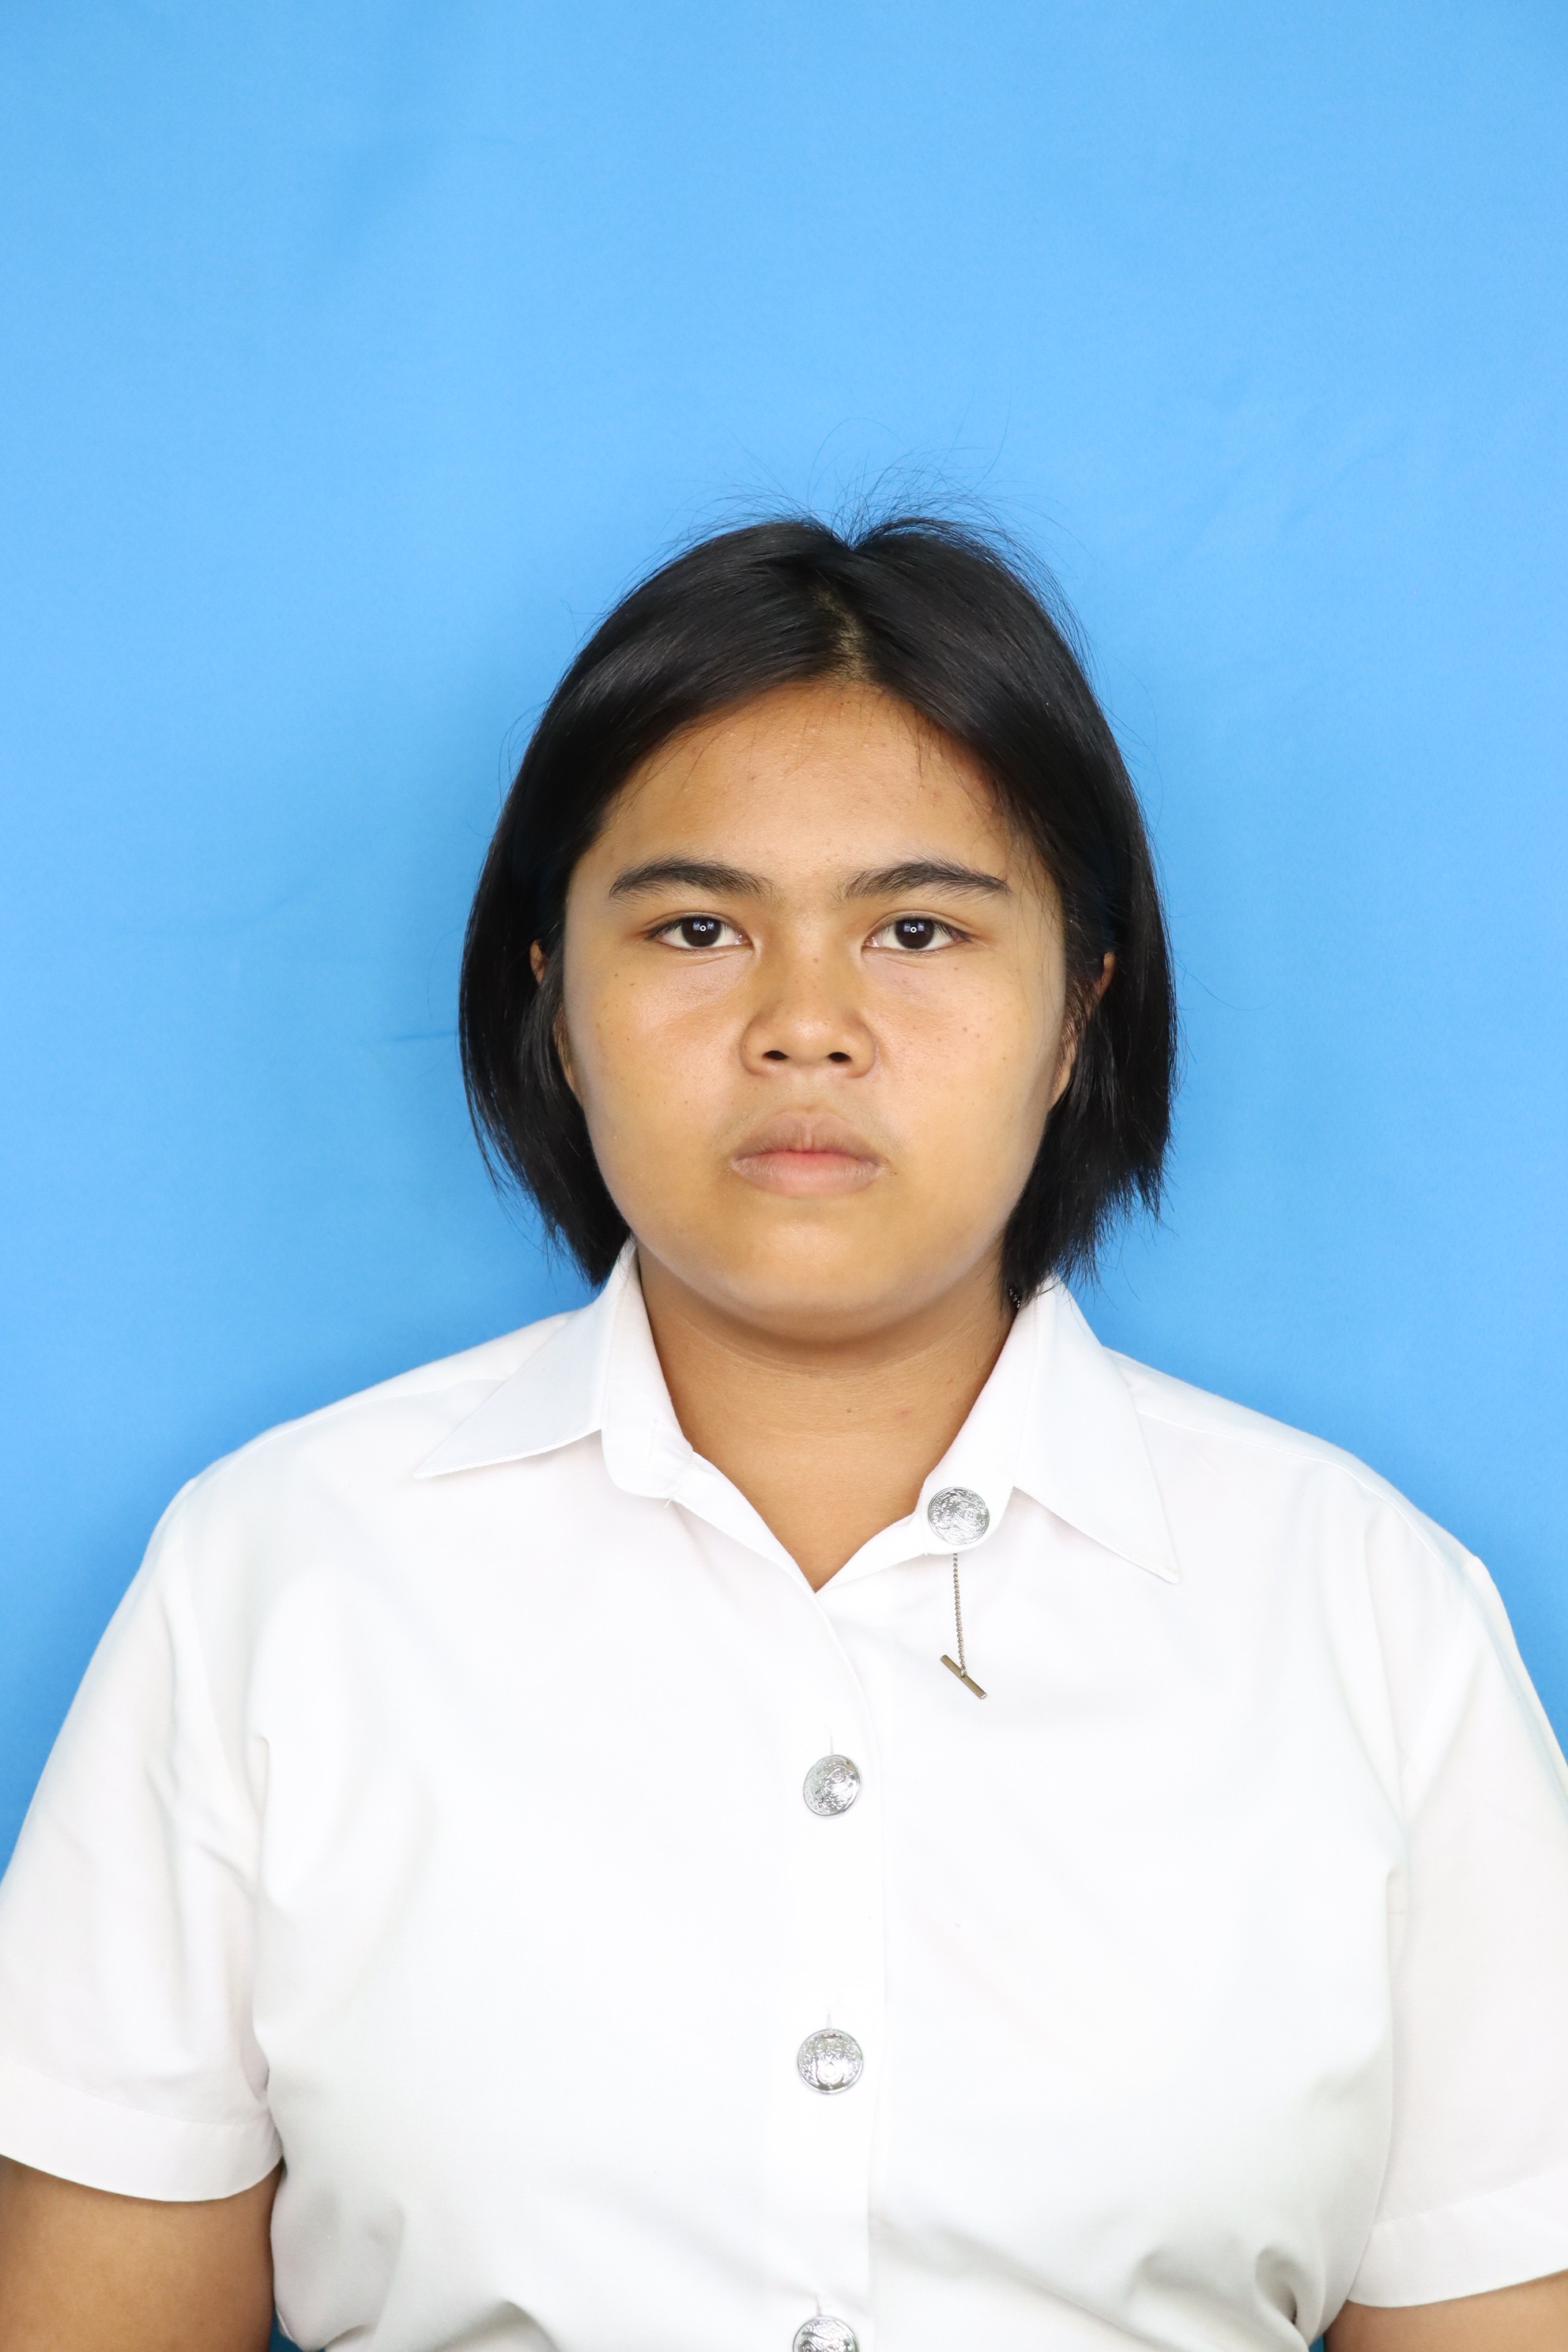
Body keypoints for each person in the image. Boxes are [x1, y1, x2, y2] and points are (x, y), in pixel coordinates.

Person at [0, 517, 1566, 2352]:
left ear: (1077, 1009)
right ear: (553, 1002)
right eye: (695, 928)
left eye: (916, 930)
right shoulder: (280, 1573)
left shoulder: (1362, 1613)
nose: (803, 1027)